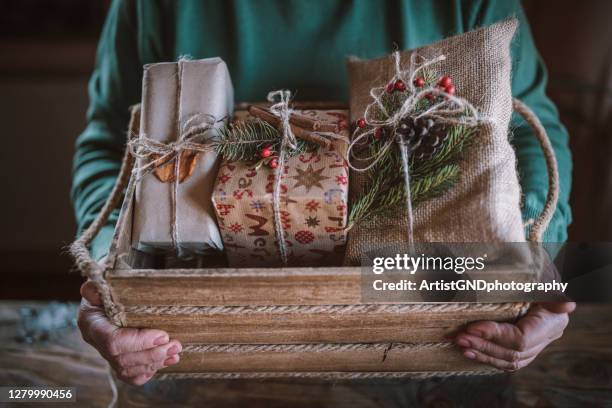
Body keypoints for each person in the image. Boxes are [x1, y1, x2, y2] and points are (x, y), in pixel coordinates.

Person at [73, 0, 575, 385]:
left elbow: (529, 130)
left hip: (431, 338)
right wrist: (107, 279)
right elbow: (112, 141)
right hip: (198, 348)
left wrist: (531, 260)